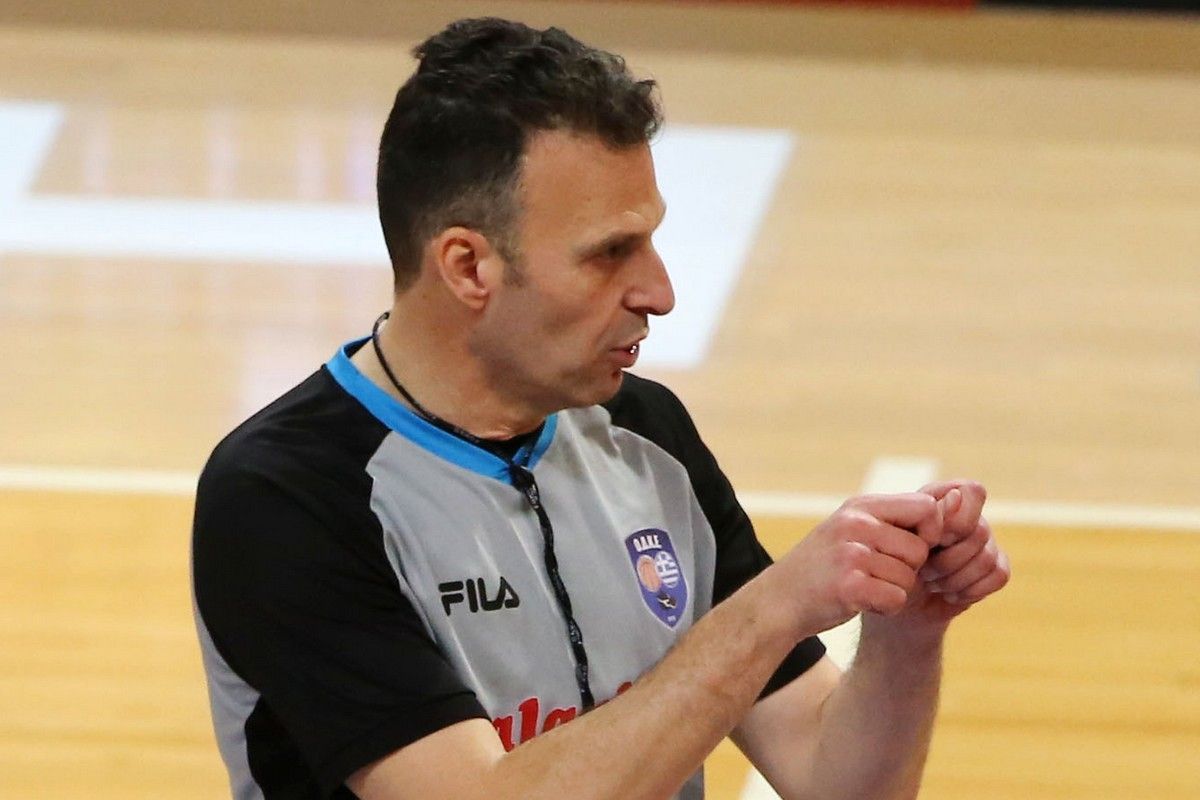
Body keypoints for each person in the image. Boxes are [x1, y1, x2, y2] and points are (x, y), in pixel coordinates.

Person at [192, 17, 1010, 800]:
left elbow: (838, 783)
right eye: (610, 253)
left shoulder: (645, 435)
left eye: (650, 241)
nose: (659, 291)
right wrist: (768, 613)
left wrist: (905, 636)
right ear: (469, 267)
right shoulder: (285, 497)